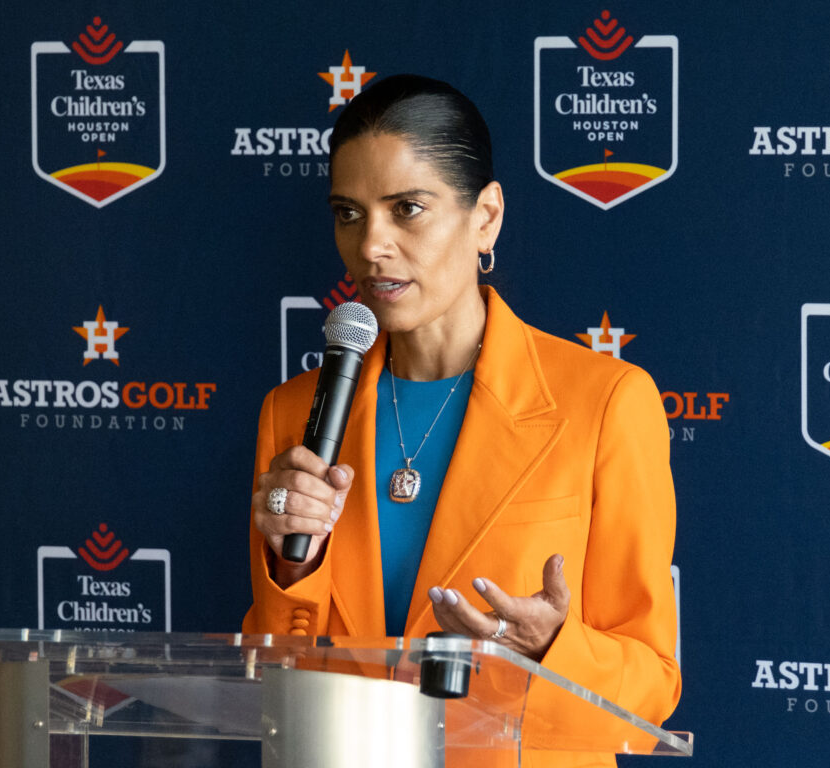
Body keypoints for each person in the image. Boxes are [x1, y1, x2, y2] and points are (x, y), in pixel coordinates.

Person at [243, 74, 680, 767]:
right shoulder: (294, 412)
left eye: (407, 209)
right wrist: (291, 570)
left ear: (486, 218)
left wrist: (549, 648)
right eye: (348, 214)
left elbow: (652, 683)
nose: (371, 246)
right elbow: (279, 669)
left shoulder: (606, 403)